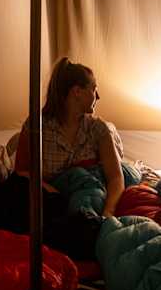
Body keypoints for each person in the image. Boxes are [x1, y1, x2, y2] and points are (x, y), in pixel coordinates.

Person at [14, 57, 125, 217]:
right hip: (51, 194)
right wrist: (53, 193)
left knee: (127, 176)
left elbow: (115, 177)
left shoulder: (98, 129)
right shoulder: (37, 126)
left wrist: (109, 211)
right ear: (77, 92)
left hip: (92, 192)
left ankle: (86, 220)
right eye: (93, 89)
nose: (97, 96)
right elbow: (22, 172)